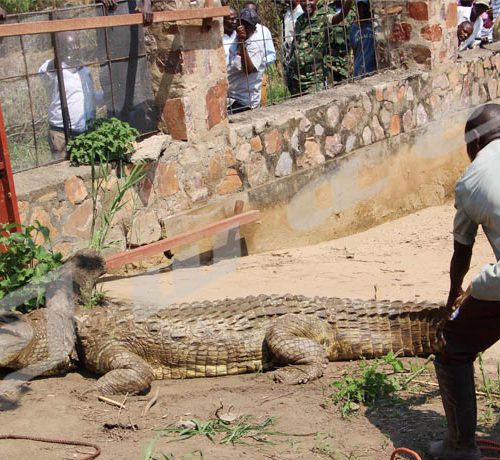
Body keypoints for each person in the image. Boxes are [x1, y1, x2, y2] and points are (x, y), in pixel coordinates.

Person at [429, 103, 500, 460]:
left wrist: (457, 292)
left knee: (453, 346)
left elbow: (463, 252)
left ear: (472, 145)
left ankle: (460, 447)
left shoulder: (470, 180)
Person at [39, 32, 103, 160]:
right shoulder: (54, 70)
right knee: (64, 173)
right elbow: (43, 70)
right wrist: (59, 56)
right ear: (60, 48)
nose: (74, 48)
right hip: (61, 134)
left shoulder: (84, 70)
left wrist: (105, 95)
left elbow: (90, 97)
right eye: (70, 45)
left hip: (85, 133)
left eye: (77, 44)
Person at [286, 0, 353, 95]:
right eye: (303, 1)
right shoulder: (299, 21)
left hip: (314, 78)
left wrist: (349, 2)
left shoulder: (323, 18)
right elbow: (295, 45)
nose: (307, 3)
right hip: (297, 78)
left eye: (311, 0)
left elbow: (340, 16)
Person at [227, 8, 266, 113]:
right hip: (232, 98)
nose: (243, 28)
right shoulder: (236, 39)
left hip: (245, 101)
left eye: (247, 25)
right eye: (241, 24)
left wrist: (242, 43)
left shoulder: (256, 43)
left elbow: (249, 69)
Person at [241, 1, 276, 67]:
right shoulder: (238, 30)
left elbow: (271, 54)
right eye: (246, 11)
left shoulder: (264, 31)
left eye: (252, 11)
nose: (249, 14)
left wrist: (259, 63)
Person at [349, 0, 376, 78]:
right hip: (359, 72)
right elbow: (355, 51)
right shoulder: (353, 29)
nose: (362, 10)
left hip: (373, 71)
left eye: (364, 7)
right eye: (359, 7)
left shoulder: (373, 25)